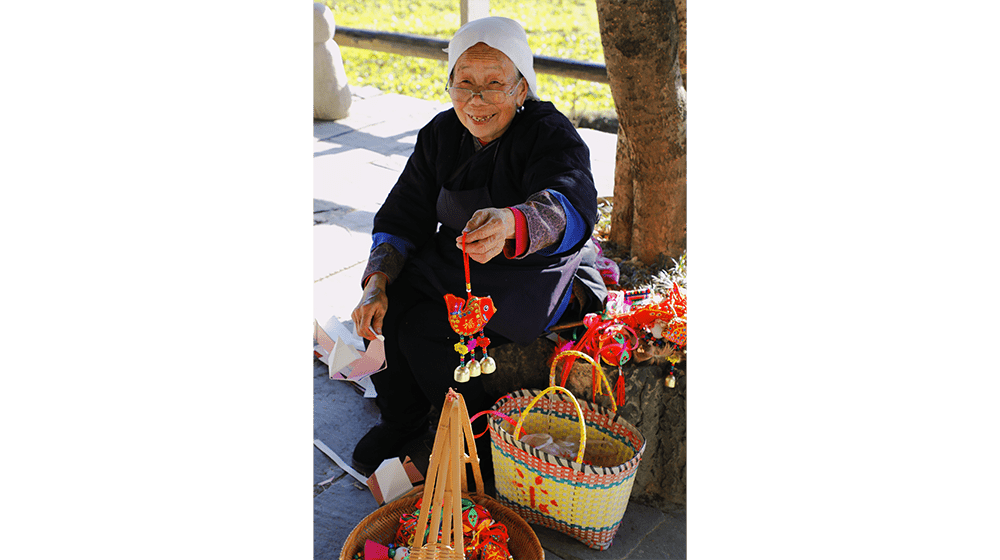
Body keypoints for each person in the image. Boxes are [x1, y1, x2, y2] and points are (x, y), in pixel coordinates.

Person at [349, 17, 607, 474]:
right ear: (449, 85)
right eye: (464, 82)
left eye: (494, 84)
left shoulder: (550, 134)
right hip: (460, 261)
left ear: (522, 89)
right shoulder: (440, 135)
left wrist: (512, 221)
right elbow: (403, 213)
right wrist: (377, 282)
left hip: (528, 275)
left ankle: (480, 442)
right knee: (390, 303)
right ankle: (402, 420)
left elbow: (571, 201)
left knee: (425, 327)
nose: (476, 100)